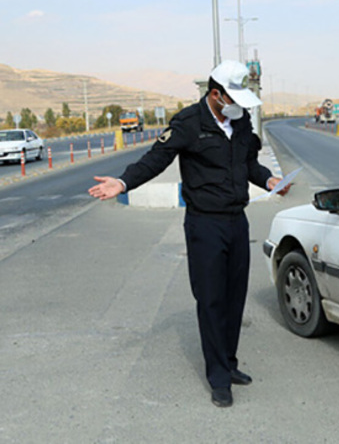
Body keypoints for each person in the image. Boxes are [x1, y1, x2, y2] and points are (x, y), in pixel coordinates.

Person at [88, 60, 290, 408]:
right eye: (233, 98)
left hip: (236, 222)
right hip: (205, 224)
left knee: (234, 297)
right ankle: (218, 378)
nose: (238, 106)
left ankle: (230, 362)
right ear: (215, 94)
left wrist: (269, 179)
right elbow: (156, 159)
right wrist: (122, 182)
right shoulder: (188, 123)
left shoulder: (240, 125)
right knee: (211, 300)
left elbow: (249, 164)